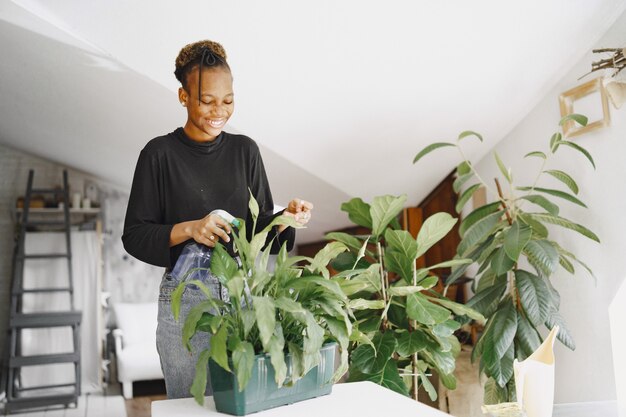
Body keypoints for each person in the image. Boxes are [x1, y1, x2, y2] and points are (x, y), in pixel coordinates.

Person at [122, 40, 313, 399]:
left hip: (245, 298)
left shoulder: (246, 151)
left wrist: (284, 219)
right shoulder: (158, 154)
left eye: (227, 100)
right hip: (187, 301)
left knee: (244, 400)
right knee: (190, 405)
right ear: (183, 96)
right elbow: (135, 235)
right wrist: (193, 227)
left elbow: (259, 237)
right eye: (207, 100)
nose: (219, 111)